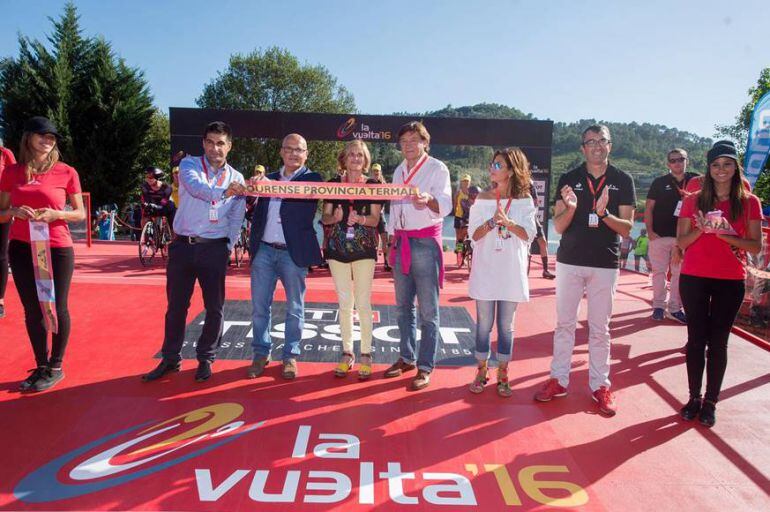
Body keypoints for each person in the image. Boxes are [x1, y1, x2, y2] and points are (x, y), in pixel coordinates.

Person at [533, 124, 636, 416]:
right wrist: (573, 208)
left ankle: (600, 386)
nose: (596, 146)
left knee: (600, 328)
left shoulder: (623, 180)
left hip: (605, 262)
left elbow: (627, 229)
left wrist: (603, 213)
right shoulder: (569, 179)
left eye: (601, 140)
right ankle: (558, 379)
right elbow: (559, 225)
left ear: (609, 145)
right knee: (565, 324)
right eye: (590, 141)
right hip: (570, 261)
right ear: (582, 148)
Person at [141, 121, 246, 383]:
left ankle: (206, 358)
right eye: (210, 142)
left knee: (215, 308)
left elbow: (236, 216)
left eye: (221, 143)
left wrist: (227, 246)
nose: (215, 148)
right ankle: (170, 358)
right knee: (176, 307)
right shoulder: (188, 165)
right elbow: (200, 190)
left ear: (229, 146)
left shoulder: (238, 178)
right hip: (182, 247)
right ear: (203, 143)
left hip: (214, 248)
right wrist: (225, 191)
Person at [676, 140, 761, 428]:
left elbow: (755, 246)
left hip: (730, 280)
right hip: (694, 277)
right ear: (708, 168)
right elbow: (682, 242)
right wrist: (701, 231)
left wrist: (725, 233)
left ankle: (711, 402)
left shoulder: (750, 202)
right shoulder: (693, 199)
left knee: (719, 343)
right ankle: (693, 398)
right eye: (715, 165)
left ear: (735, 168)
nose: (721, 170)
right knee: (696, 340)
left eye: (727, 164)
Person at [0, 116, 85, 391]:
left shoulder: (67, 171)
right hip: (23, 247)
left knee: (57, 307)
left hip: (57, 247)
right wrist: (12, 212)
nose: (48, 141)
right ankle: (41, 364)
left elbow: (80, 213)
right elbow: (0, 213)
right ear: (29, 138)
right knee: (32, 309)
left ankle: (56, 366)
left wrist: (56, 214)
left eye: (52, 138)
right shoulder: (12, 172)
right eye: (42, 136)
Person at [246, 134, 323, 380]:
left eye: (298, 150)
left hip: (293, 252)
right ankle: (260, 353)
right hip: (264, 251)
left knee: (295, 308)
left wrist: (267, 184)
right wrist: (256, 185)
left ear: (306, 154)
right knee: (259, 307)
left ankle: (290, 355)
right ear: (281, 151)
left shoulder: (313, 180)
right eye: (288, 149)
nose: (293, 153)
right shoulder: (266, 179)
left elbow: (299, 194)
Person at [384, 121, 452, 390]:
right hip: (401, 242)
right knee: (402, 308)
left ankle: (425, 366)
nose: (409, 145)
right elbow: (392, 205)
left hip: (424, 242)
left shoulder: (437, 168)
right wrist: (390, 240)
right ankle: (406, 356)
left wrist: (429, 200)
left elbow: (445, 204)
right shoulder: (399, 171)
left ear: (425, 142)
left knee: (428, 310)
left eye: (414, 139)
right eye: (404, 141)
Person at [468, 148, 537, 396]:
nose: (492, 168)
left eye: (498, 165)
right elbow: (473, 236)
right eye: (492, 164)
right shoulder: (482, 198)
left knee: (506, 326)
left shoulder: (525, 200)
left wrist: (508, 223)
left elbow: (529, 235)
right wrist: (490, 223)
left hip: (510, 273)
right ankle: (481, 369)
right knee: (483, 325)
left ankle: (504, 372)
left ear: (511, 170)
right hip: (485, 271)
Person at [321, 140, 382, 379]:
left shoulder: (375, 185)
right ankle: (347, 352)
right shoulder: (333, 184)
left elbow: (376, 220)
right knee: (344, 303)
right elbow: (324, 216)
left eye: (360, 155)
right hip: (337, 249)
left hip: (365, 248)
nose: (355, 158)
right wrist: (333, 218)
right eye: (351, 154)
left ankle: (366, 353)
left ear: (365, 160)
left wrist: (361, 220)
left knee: (363, 302)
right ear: (343, 159)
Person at [645, 148, 699, 323]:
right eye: (673, 160)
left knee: (679, 274)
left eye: (680, 159)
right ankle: (658, 306)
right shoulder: (659, 182)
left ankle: (675, 308)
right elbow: (649, 208)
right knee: (659, 273)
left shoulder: (697, 180)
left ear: (686, 161)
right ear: (668, 164)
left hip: (684, 238)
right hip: (659, 236)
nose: (677, 163)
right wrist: (650, 231)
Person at [0, 140, 17, 319]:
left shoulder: (5, 154)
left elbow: (16, 178)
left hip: (1, 210)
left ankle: (0, 300)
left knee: (1, 254)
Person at [528, 183, 556, 279]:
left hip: (532, 217)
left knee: (543, 242)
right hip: (518, 219)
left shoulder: (530, 184)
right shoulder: (513, 183)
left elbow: (536, 203)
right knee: (525, 245)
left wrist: (532, 214)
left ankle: (545, 270)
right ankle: (523, 270)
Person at [371, 163, 391, 271]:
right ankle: (372, 261)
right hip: (371, 215)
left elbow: (389, 198)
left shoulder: (384, 185)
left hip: (381, 215)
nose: (376, 173)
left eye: (377, 171)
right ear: (371, 172)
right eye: (374, 171)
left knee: (385, 238)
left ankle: (386, 262)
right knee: (373, 240)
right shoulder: (368, 184)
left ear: (380, 172)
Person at [453, 174, 472, 267]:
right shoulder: (458, 193)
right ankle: (459, 257)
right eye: (464, 181)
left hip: (469, 218)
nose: (466, 183)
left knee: (468, 237)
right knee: (459, 238)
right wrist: (457, 214)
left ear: (470, 182)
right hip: (459, 217)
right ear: (461, 182)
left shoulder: (471, 193)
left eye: (467, 181)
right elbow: (455, 204)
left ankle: (466, 255)